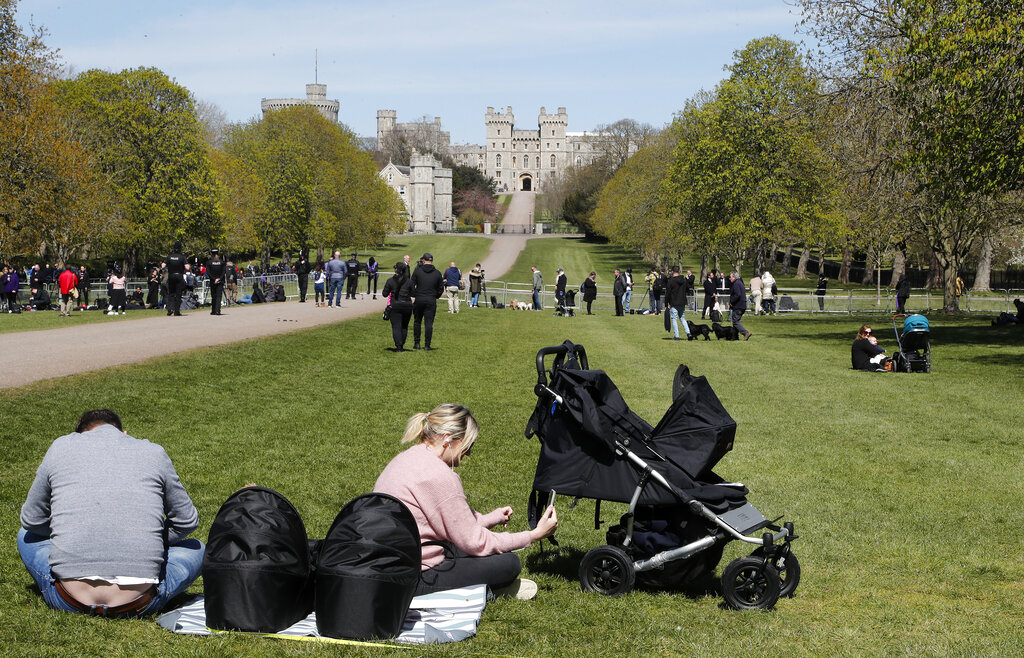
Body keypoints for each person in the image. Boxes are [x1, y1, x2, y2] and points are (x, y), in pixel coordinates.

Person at [18, 409, 203, 618]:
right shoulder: (154, 452)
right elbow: (187, 521)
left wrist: (65, 534)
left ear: (80, 435)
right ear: (123, 433)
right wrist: (148, 541)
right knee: (197, 548)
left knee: (24, 536)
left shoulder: (61, 446)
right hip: (138, 603)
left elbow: (31, 519)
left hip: (69, 599)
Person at [374, 404, 558, 598]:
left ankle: (481, 589)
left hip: (385, 565)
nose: (469, 453)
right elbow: (476, 542)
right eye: (467, 445)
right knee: (509, 563)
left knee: (472, 549)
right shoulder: (440, 476)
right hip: (414, 577)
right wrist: (534, 535)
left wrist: (491, 518)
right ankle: (483, 592)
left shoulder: (406, 459)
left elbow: (453, 523)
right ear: (448, 439)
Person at [411, 252, 443, 350]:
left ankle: (417, 343)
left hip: (419, 298)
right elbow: (441, 288)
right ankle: (427, 345)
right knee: (429, 324)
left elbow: (411, 285)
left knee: (417, 322)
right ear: (431, 261)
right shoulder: (437, 273)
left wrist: (414, 294)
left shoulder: (417, 271)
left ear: (423, 261)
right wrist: (435, 296)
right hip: (431, 299)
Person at [382, 261, 415, 351]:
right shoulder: (409, 282)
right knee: (404, 326)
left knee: (396, 326)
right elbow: (413, 293)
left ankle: (399, 345)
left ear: (396, 270)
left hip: (395, 305)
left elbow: (384, 294)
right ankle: (402, 343)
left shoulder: (390, 281)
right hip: (407, 305)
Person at [665, 266, 692, 340]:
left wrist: (666, 303)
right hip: (682, 301)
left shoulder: (671, 281)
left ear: (672, 272)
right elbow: (688, 289)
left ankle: (677, 335)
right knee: (682, 318)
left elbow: (668, 293)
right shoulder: (683, 280)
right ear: (679, 271)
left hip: (674, 302)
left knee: (674, 319)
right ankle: (688, 333)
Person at [728, 271, 752, 340]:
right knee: (735, 320)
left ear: (734, 277)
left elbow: (737, 295)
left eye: (730, 277)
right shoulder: (740, 283)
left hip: (738, 305)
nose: (730, 278)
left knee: (735, 321)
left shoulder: (736, 284)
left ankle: (745, 333)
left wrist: (731, 302)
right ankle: (735, 336)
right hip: (742, 305)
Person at [165, 242, 186, 317]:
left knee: (171, 293)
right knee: (178, 294)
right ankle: (177, 311)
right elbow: (186, 267)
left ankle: (170, 309)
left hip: (171, 276)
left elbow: (163, 265)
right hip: (179, 276)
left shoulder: (169, 257)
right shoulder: (182, 257)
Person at [205, 249, 226, 315]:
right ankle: (217, 310)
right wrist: (219, 278)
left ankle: (214, 310)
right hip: (220, 280)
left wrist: (214, 279)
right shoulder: (222, 262)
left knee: (214, 296)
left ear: (211, 254)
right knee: (219, 296)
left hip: (212, 281)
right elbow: (223, 272)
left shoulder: (209, 262)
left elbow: (208, 272)